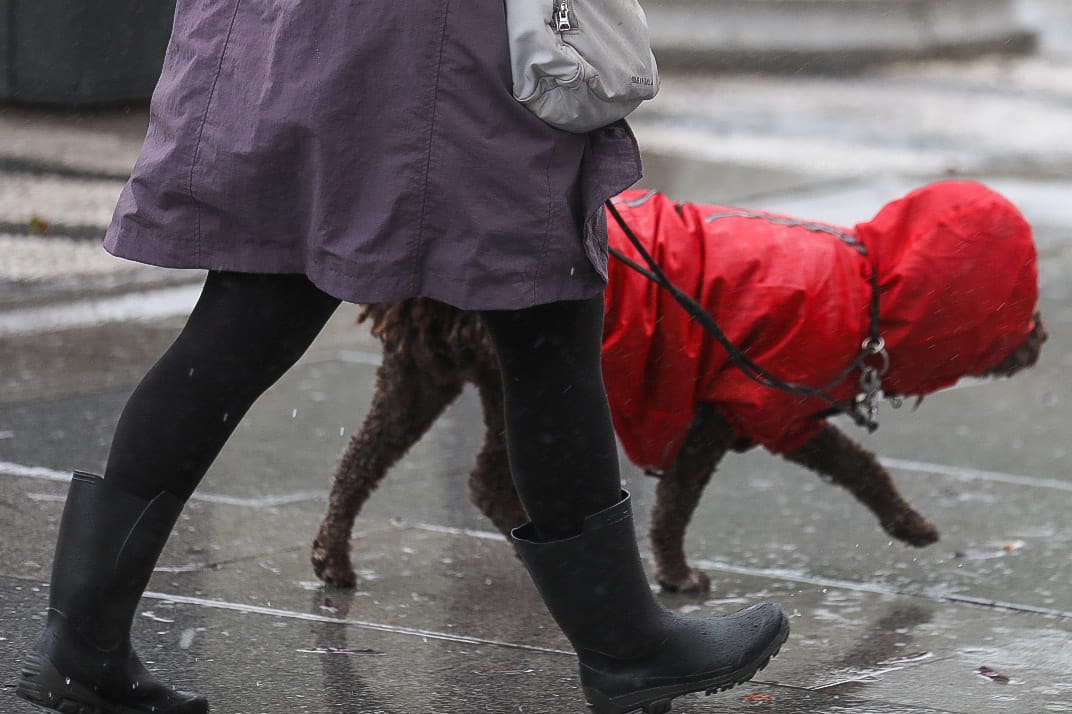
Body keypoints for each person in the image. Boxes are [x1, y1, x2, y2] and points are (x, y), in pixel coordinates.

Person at [16, 4, 789, 714]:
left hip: (293, 34)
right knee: (542, 309)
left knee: (249, 314)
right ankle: (628, 646)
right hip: (428, 50)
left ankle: (83, 641)